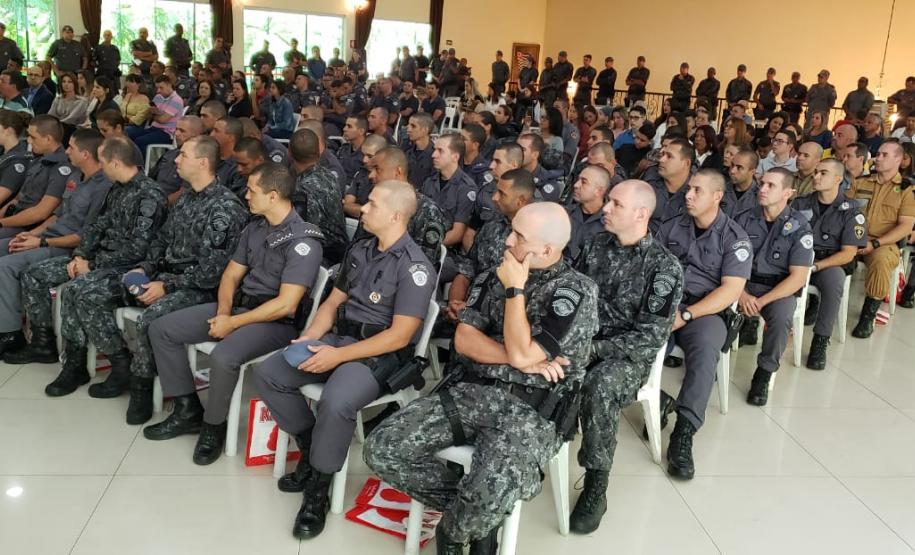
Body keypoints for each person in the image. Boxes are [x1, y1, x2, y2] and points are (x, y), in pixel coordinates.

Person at [364, 201, 598, 553]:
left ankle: (455, 533)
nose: (506, 241)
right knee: (382, 449)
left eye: (519, 236)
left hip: (530, 412)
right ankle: (476, 518)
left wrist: (515, 292)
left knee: (487, 493)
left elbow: (519, 352)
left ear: (547, 250)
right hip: (470, 392)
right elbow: (464, 340)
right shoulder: (493, 275)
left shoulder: (575, 291)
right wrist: (520, 358)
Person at [253, 179, 434, 540]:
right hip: (338, 338)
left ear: (396, 215)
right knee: (270, 372)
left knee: (336, 400)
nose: (362, 209)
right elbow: (333, 303)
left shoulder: (415, 267)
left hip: (377, 354)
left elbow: (399, 336)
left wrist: (338, 355)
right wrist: (311, 338)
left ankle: (318, 490)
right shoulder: (361, 250)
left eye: (372, 204)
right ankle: (309, 446)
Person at [143, 161, 322, 463]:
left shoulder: (303, 242)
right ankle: (188, 409)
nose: (246, 196)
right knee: (163, 329)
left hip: (275, 322)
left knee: (224, 356)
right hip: (238, 308)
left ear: (274, 196)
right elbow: (230, 276)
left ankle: (213, 427)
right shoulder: (255, 228)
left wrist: (233, 323)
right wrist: (224, 314)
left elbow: (286, 304)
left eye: (252, 191)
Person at [5, 138, 167, 394]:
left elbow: (138, 249)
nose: (99, 167)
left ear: (115, 162)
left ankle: (100, 364)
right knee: (34, 274)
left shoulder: (149, 195)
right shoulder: (117, 188)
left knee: (74, 290)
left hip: (128, 268)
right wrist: (81, 256)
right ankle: (43, 344)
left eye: (102, 162)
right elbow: (96, 227)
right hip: (98, 259)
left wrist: (91, 264)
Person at [569, 179, 683, 533]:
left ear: (640, 214)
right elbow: (570, 293)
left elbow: (648, 339)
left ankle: (596, 485)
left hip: (626, 356)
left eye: (615, 204)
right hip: (584, 342)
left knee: (599, 385)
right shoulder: (594, 245)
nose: (605, 208)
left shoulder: (663, 268)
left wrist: (591, 350)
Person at [656, 169, 751, 479]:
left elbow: (731, 290)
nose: (689, 194)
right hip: (667, 303)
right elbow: (650, 267)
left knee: (706, 351)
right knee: (640, 344)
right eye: (689, 189)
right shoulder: (672, 227)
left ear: (717, 197)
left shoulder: (735, 238)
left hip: (706, 310)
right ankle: (656, 399)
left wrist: (687, 315)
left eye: (697, 190)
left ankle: (684, 431)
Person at [0, 129, 112, 357]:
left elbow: (86, 236)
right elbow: (57, 215)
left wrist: (41, 242)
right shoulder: (75, 176)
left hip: (67, 247)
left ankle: (11, 334)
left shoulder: (103, 187)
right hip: (49, 237)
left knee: (6, 266)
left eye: (71, 147)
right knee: (7, 246)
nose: (66, 150)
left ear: (86, 154)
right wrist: (32, 235)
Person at [733, 168, 814, 405]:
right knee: (714, 305)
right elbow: (725, 263)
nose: (762, 189)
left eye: (771, 186)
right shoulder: (744, 218)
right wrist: (741, 294)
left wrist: (761, 302)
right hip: (742, 284)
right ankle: (713, 360)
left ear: (788, 193)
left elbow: (798, 278)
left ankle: (764, 373)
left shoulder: (799, 226)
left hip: (778, 290)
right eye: (762, 184)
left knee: (781, 317)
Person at [792, 158, 866, 368]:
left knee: (835, 280)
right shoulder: (801, 203)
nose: (816, 177)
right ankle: (755, 324)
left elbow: (848, 254)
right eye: (815, 172)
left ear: (837, 179)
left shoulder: (852, 211)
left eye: (822, 173)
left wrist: (816, 267)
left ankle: (820, 341)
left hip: (827, 263)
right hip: (798, 260)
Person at [447, 168, 535, 322]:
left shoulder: (534, 240)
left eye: (502, 194)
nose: (494, 197)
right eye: (496, 191)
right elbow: (466, 270)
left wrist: (468, 312)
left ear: (520, 201)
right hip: (466, 307)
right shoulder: (491, 225)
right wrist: (454, 304)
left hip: (498, 320)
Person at [847, 142, 915, 337]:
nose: (878, 158)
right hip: (852, 239)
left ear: (899, 160)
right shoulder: (861, 182)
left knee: (881, 259)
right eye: (878, 154)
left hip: (883, 243)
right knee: (825, 252)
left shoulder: (906, 190)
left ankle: (868, 315)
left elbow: (906, 226)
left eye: (884, 155)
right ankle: (816, 303)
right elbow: (844, 211)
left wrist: (875, 243)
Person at [0, 115, 74, 239]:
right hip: (14, 217)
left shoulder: (61, 168)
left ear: (48, 139)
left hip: (29, 227)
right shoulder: (38, 160)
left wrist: (2, 223)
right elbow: (18, 198)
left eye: (33, 137)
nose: (29, 141)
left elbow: (40, 213)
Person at [287, 129, 347, 265]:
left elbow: (299, 233)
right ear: (318, 152)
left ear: (289, 152)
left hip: (320, 255)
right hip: (338, 251)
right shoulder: (329, 175)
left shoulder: (300, 189)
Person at [421, 133, 477, 248]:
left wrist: (429, 246)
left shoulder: (466, 188)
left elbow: (457, 233)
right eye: (434, 150)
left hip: (445, 249)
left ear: (455, 157)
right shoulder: (429, 182)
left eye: (440, 151)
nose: (433, 155)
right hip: (422, 240)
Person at [127, 76, 184, 158]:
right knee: (129, 134)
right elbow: (149, 116)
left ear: (169, 85)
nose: (158, 91)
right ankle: (131, 160)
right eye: (157, 88)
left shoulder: (176, 100)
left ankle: (142, 165)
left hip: (167, 133)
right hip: (154, 128)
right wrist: (155, 114)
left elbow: (162, 120)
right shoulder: (158, 97)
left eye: (161, 88)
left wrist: (155, 115)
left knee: (140, 141)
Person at [646, 138, 694, 231]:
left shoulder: (696, 192)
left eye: (669, 156)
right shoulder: (650, 183)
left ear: (686, 163)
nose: (661, 160)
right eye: (663, 155)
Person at [565, 165, 611, 262]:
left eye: (584, 182)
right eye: (578, 180)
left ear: (599, 191)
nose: (576, 185)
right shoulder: (565, 213)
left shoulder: (610, 224)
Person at [518, 132, 565, 202]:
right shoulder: (510, 171)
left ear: (535, 155)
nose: (517, 152)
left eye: (523, 150)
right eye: (516, 148)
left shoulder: (547, 182)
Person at [722, 147, 760, 217]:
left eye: (739, 167)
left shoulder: (760, 197)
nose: (732, 171)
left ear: (752, 172)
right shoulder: (721, 190)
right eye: (732, 165)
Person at [404, 112, 436, 187]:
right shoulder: (406, 150)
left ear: (425, 130)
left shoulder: (435, 156)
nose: (408, 129)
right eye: (408, 125)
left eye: (413, 126)